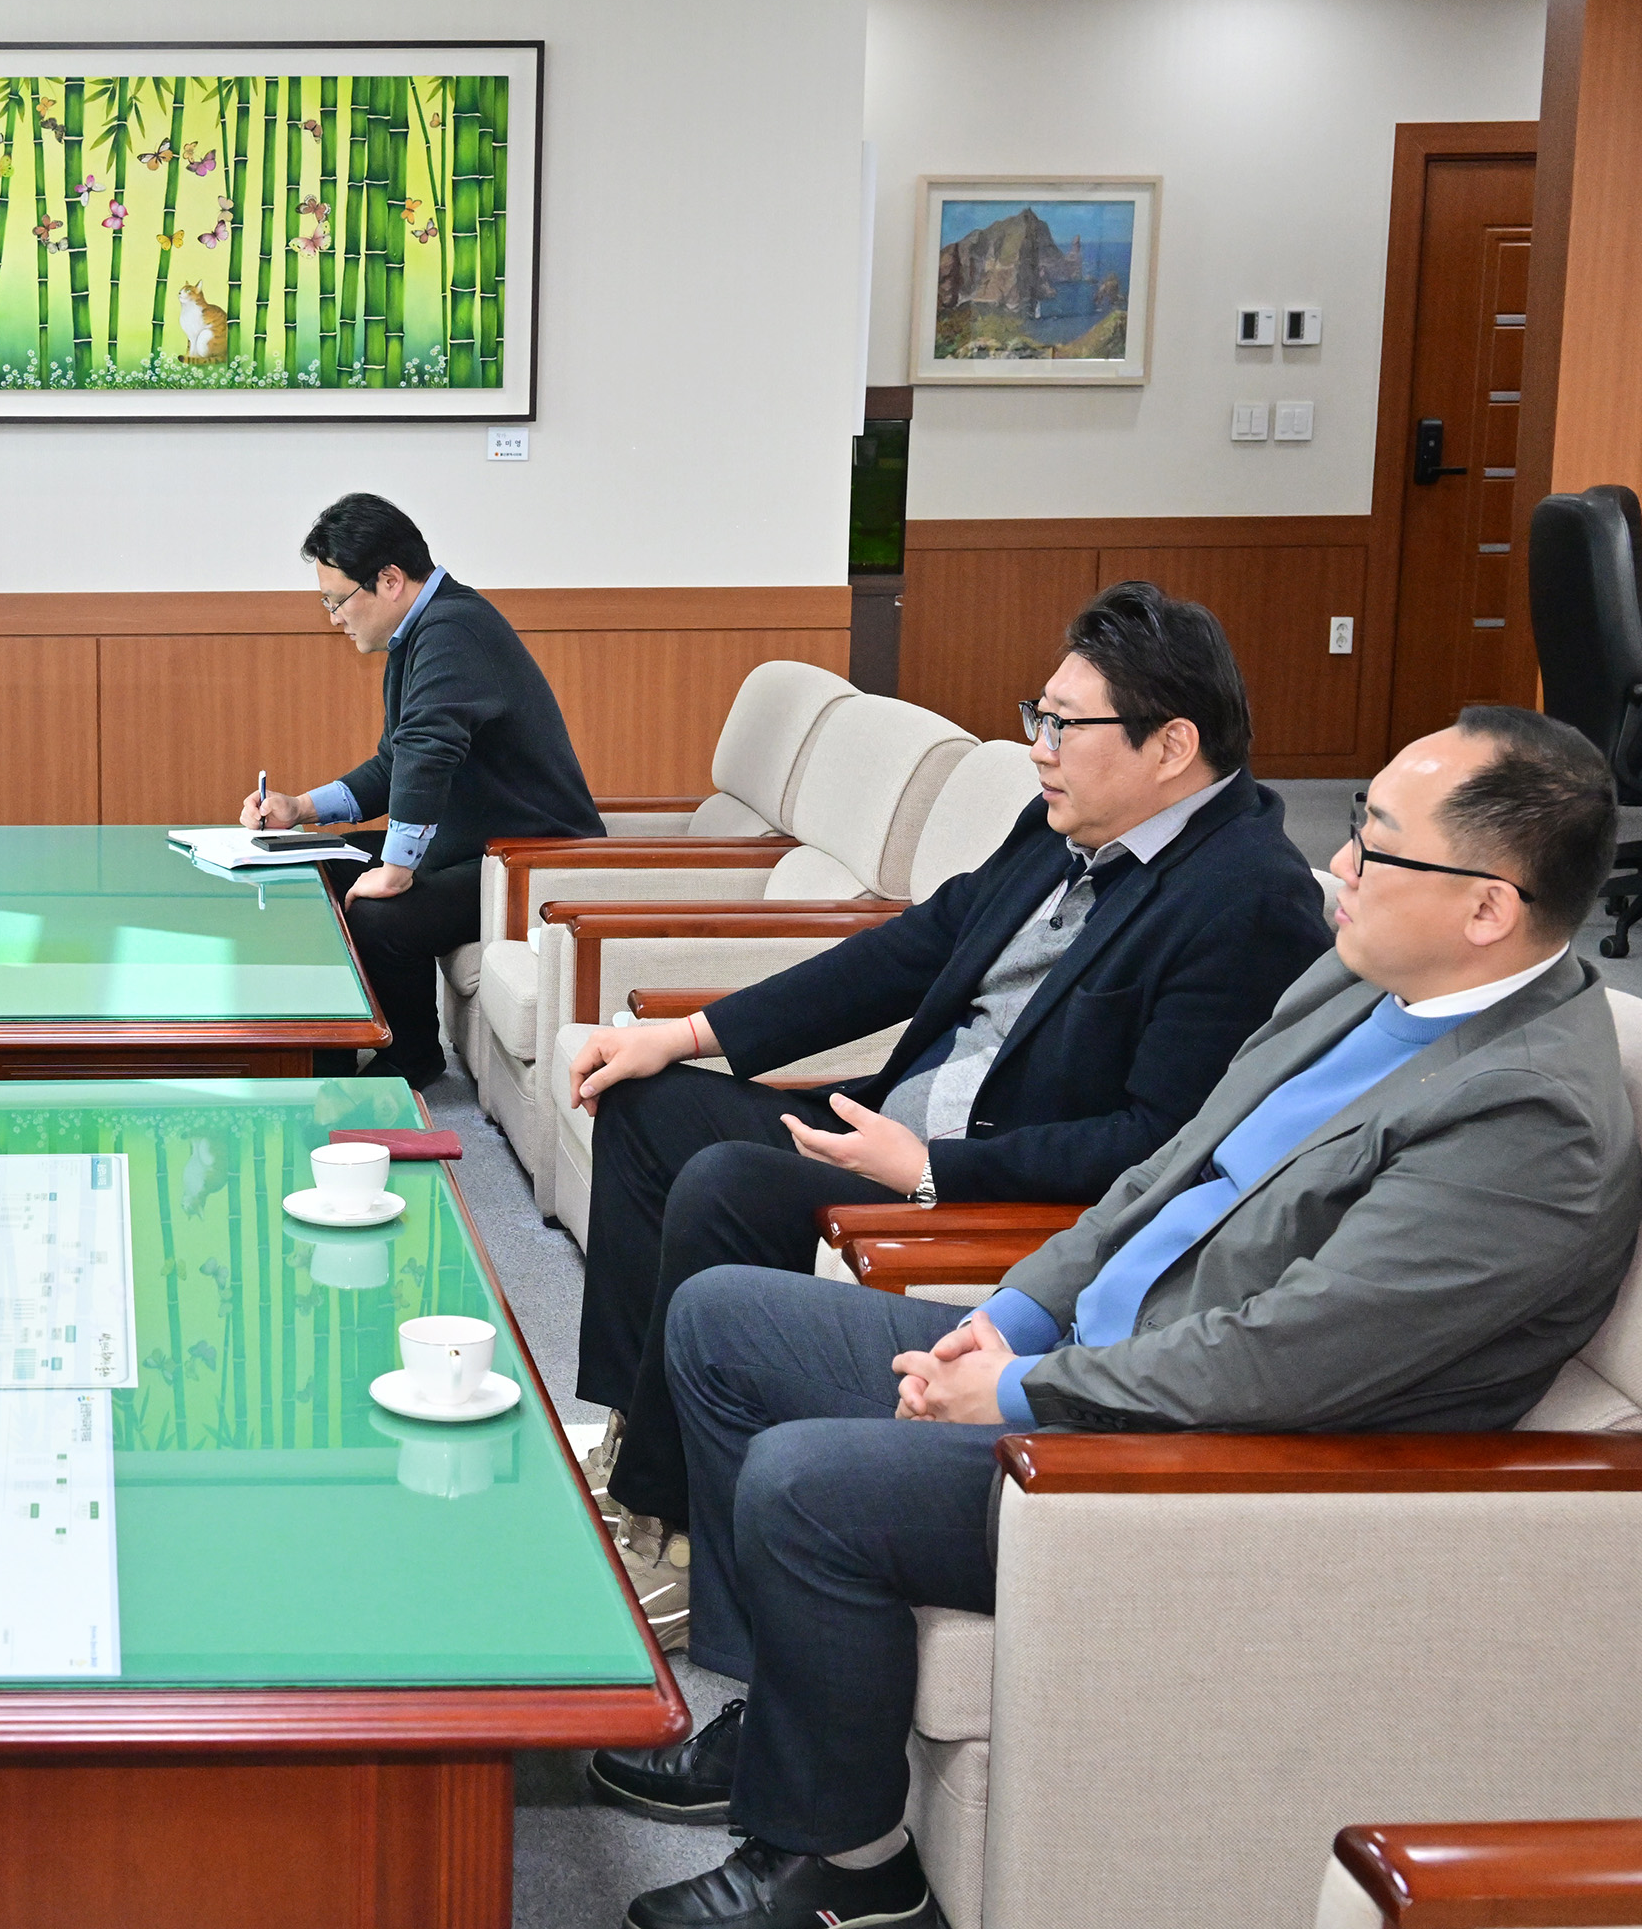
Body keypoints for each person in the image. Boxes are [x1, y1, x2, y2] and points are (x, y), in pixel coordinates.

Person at [592, 705, 1640, 1929]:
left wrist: (1028, 1394)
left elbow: (1288, 1355)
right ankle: (787, 1717)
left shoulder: (1527, 1116)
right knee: (722, 1320)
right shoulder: (1367, 979)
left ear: (1487, 907)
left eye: (1378, 845)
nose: (1338, 865)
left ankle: (845, 1864)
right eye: (1356, 828)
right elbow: (1171, 1168)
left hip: (1208, 1452)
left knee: (805, 1480)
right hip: (1100, 1353)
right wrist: (1022, 1315)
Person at [564, 583, 1330, 1635]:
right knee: (647, 1101)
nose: (1038, 747)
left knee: (729, 1179)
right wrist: (689, 1033)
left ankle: (674, 1512)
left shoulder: (1248, 897)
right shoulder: (1060, 822)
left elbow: (1159, 1144)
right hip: (894, 1134)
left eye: (1066, 724)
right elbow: (915, 948)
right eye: (1038, 716)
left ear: (1171, 745)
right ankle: (634, 1443)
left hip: (979, 1187)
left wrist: (929, 1170)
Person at [242, 492, 602, 1087]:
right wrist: (301, 809)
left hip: (532, 858)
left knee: (384, 917)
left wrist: (396, 866)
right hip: (470, 844)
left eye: (337, 599)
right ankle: (323, 1052)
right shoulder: (421, 632)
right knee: (309, 869)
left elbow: (428, 754)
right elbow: (396, 764)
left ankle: (411, 1059)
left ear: (388, 580)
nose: (334, 616)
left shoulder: (454, 630)